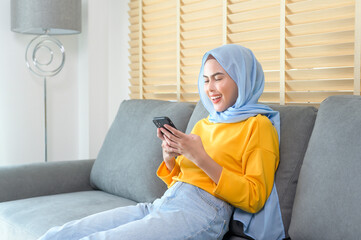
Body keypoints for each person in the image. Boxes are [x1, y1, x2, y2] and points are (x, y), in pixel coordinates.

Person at [38, 44, 285, 240]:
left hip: (203, 212)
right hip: (164, 203)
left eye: (219, 78)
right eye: (206, 79)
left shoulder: (258, 125)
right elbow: (181, 180)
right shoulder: (205, 123)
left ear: (241, 79)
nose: (210, 88)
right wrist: (170, 158)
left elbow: (254, 197)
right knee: (61, 234)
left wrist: (199, 155)